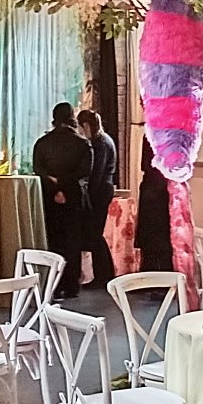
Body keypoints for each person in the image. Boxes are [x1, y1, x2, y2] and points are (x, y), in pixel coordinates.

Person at [30, 102, 93, 297]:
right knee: (73, 242)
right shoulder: (83, 143)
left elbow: (37, 169)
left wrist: (54, 186)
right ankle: (72, 286)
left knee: (53, 240)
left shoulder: (42, 143)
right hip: (73, 196)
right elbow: (85, 171)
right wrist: (65, 185)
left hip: (48, 197)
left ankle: (54, 285)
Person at [76, 108, 118, 288]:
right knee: (95, 234)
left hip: (100, 191)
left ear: (85, 125)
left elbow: (97, 174)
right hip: (103, 189)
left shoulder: (100, 144)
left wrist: (88, 198)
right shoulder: (103, 140)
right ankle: (104, 275)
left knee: (94, 234)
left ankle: (104, 276)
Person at [136, 137, 175, 273]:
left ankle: (149, 275)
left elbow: (144, 165)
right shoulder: (175, 134)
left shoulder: (150, 135)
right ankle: (165, 276)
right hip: (167, 188)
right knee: (164, 237)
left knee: (151, 238)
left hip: (152, 189)